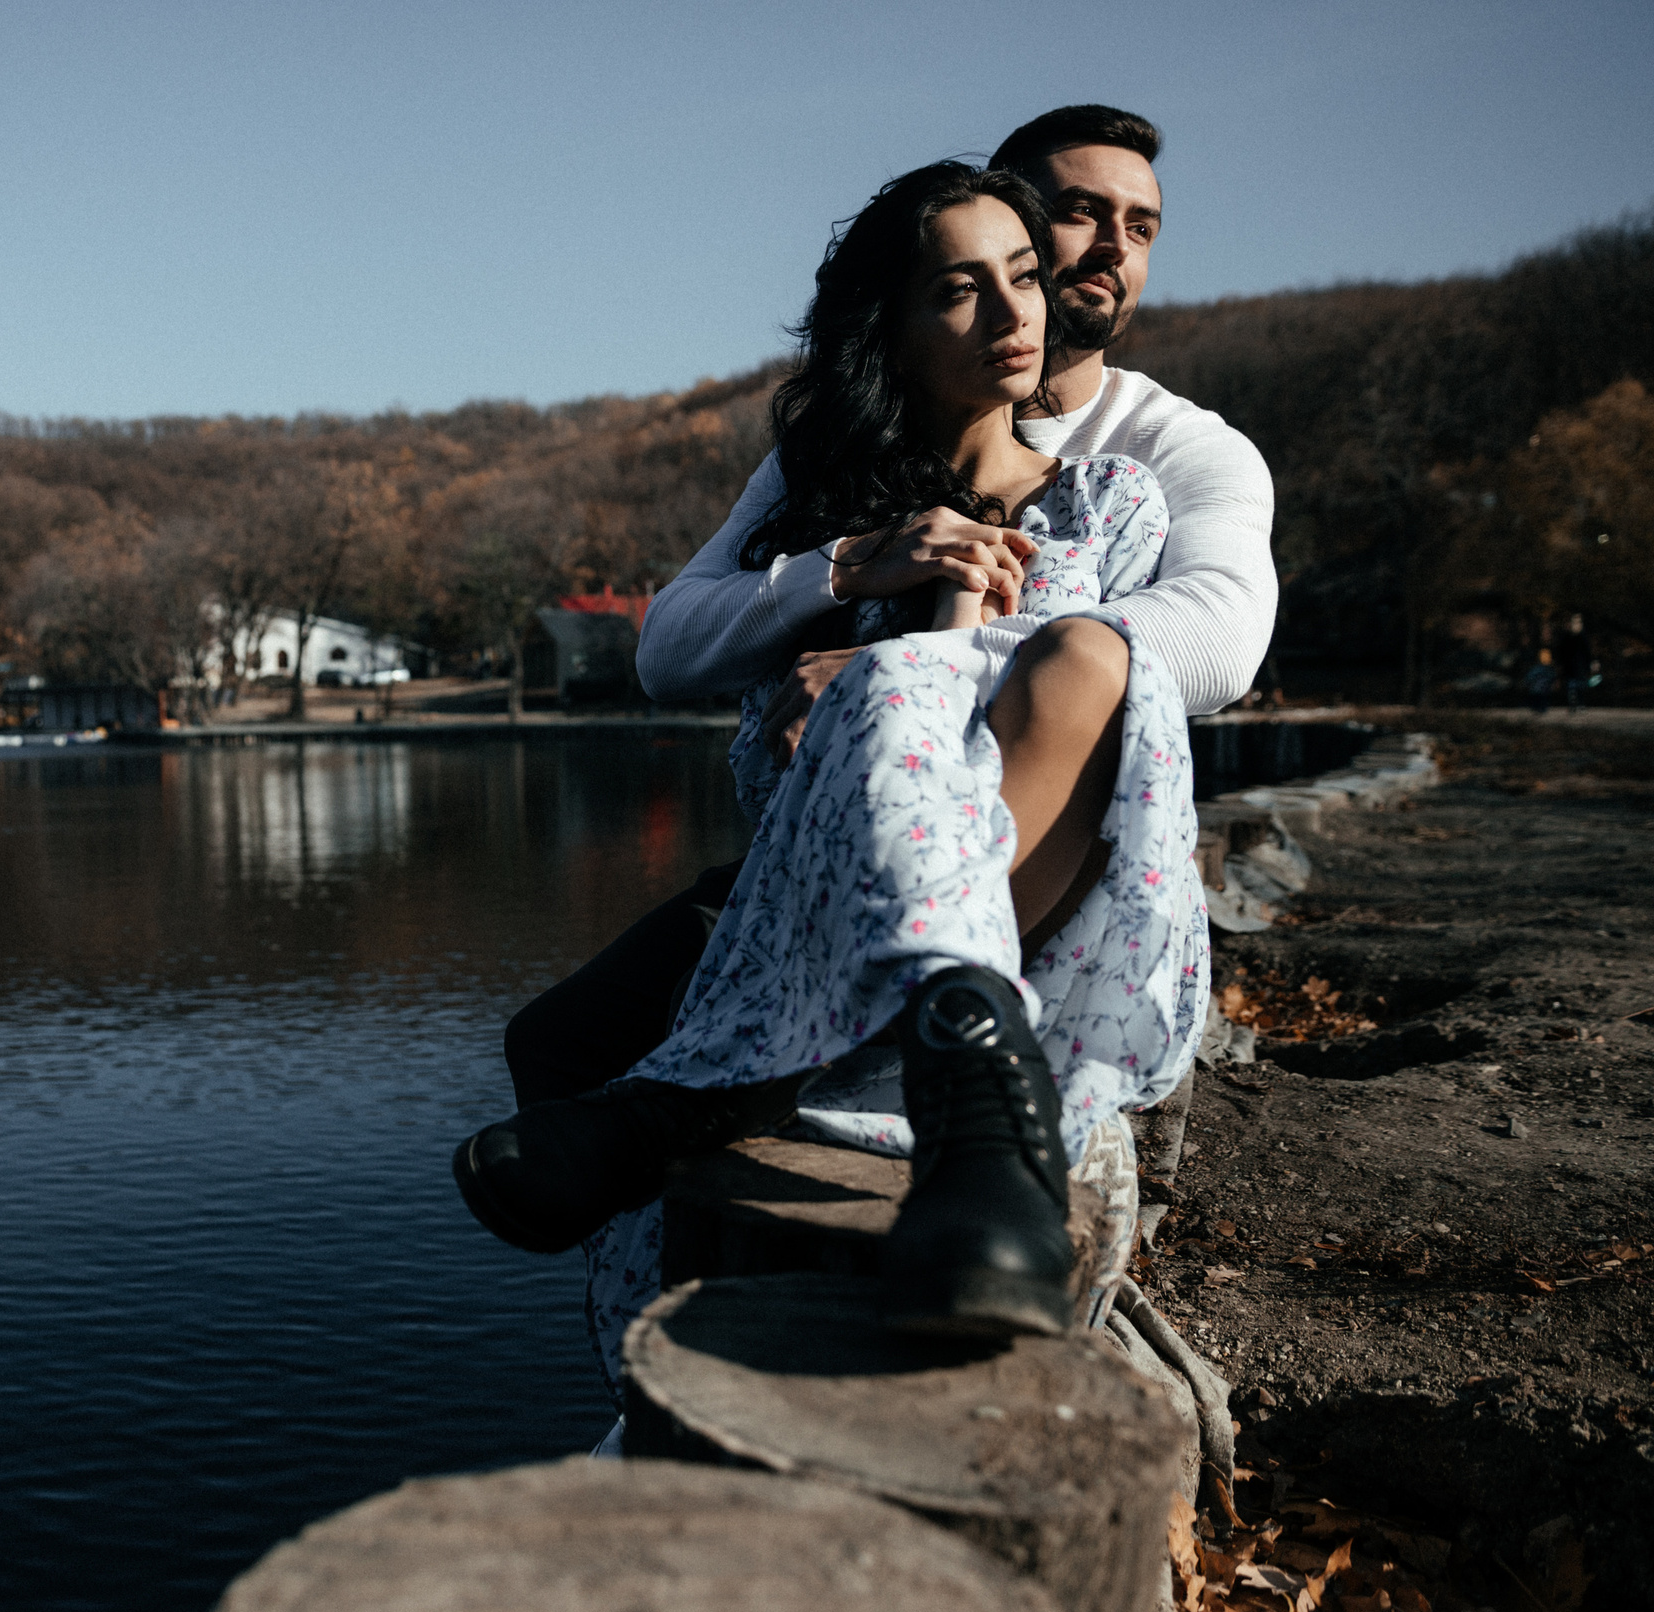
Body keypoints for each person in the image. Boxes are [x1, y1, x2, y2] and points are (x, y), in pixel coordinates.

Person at [485, 106, 1275, 1415]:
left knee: (996, 669)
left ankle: (762, 1097)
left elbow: (1210, 646)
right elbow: (673, 645)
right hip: (800, 872)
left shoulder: (1149, 465)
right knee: (555, 1041)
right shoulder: (830, 476)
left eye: (1137, 228)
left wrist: (906, 667)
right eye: (1068, 220)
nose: (1092, 260)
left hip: (1021, 855)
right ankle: (685, 1332)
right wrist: (846, 572)